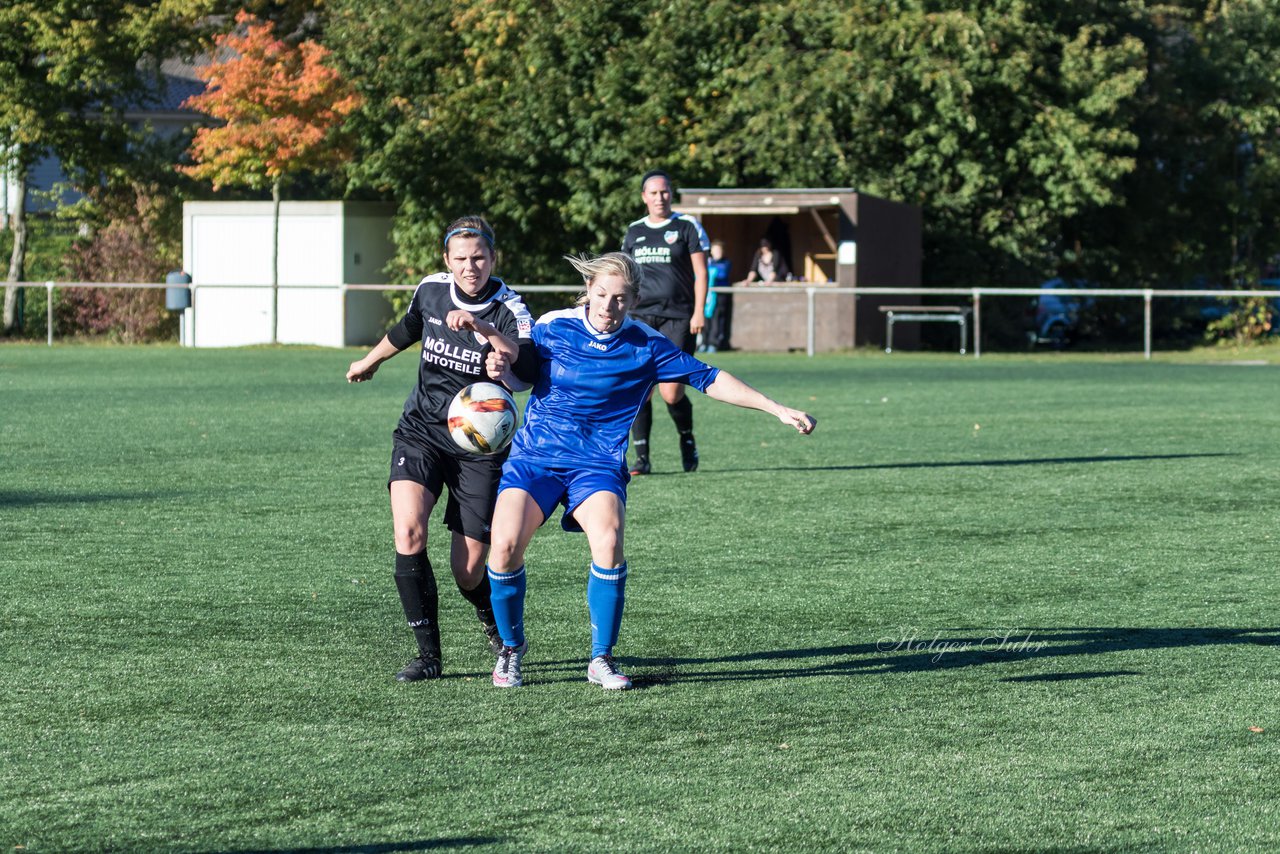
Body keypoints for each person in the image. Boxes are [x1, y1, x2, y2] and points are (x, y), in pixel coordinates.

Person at [478, 252, 816, 690]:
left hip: (596, 464)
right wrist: (501, 369)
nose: (607, 306)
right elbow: (523, 377)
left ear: (634, 299)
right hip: (535, 457)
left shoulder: (646, 344)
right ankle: (511, 648)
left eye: (619, 299)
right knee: (503, 546)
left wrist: (776, 408)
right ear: (589, 291)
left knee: (609, 539)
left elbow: (709, 378)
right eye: (601, 294)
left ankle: (600, 658)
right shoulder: (553, 325)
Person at [346, 215, 537, 683]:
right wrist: (370, 362)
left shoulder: (511, 309)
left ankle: (494, 623)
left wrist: (493, 345)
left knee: (469, 571)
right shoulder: (431, 289)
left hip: (480, 447)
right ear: (446, 260)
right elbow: (408, 327)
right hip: (422, 431)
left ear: (493, 258)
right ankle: (428, 655)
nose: (471, 267)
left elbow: (527, 370)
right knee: (409, 533)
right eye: (461, 259)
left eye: (479, 258)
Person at [621, 169, 710, 475]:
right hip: (640, 317)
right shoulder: (634, 231)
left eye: (665, 191)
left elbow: (701, 272)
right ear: (644, 197)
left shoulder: (687, 226)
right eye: (654, 192)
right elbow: (625, 276)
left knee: (672, 392)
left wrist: (700, 311)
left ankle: (687, 438)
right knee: (639, 387)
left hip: (679, 317)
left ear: (671, 194)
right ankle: (642, 458)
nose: (660, 197)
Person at [703, 239, 733, 352]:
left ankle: (713, 343)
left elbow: (721, 274)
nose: (718, 252)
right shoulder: (708, 262)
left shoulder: (725, 263)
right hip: (708, 296)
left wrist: (710, 269)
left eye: (719, 250)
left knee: (716, 320)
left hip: (719, 296)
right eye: (715, 250)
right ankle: (704, 342)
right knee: (706, 320)